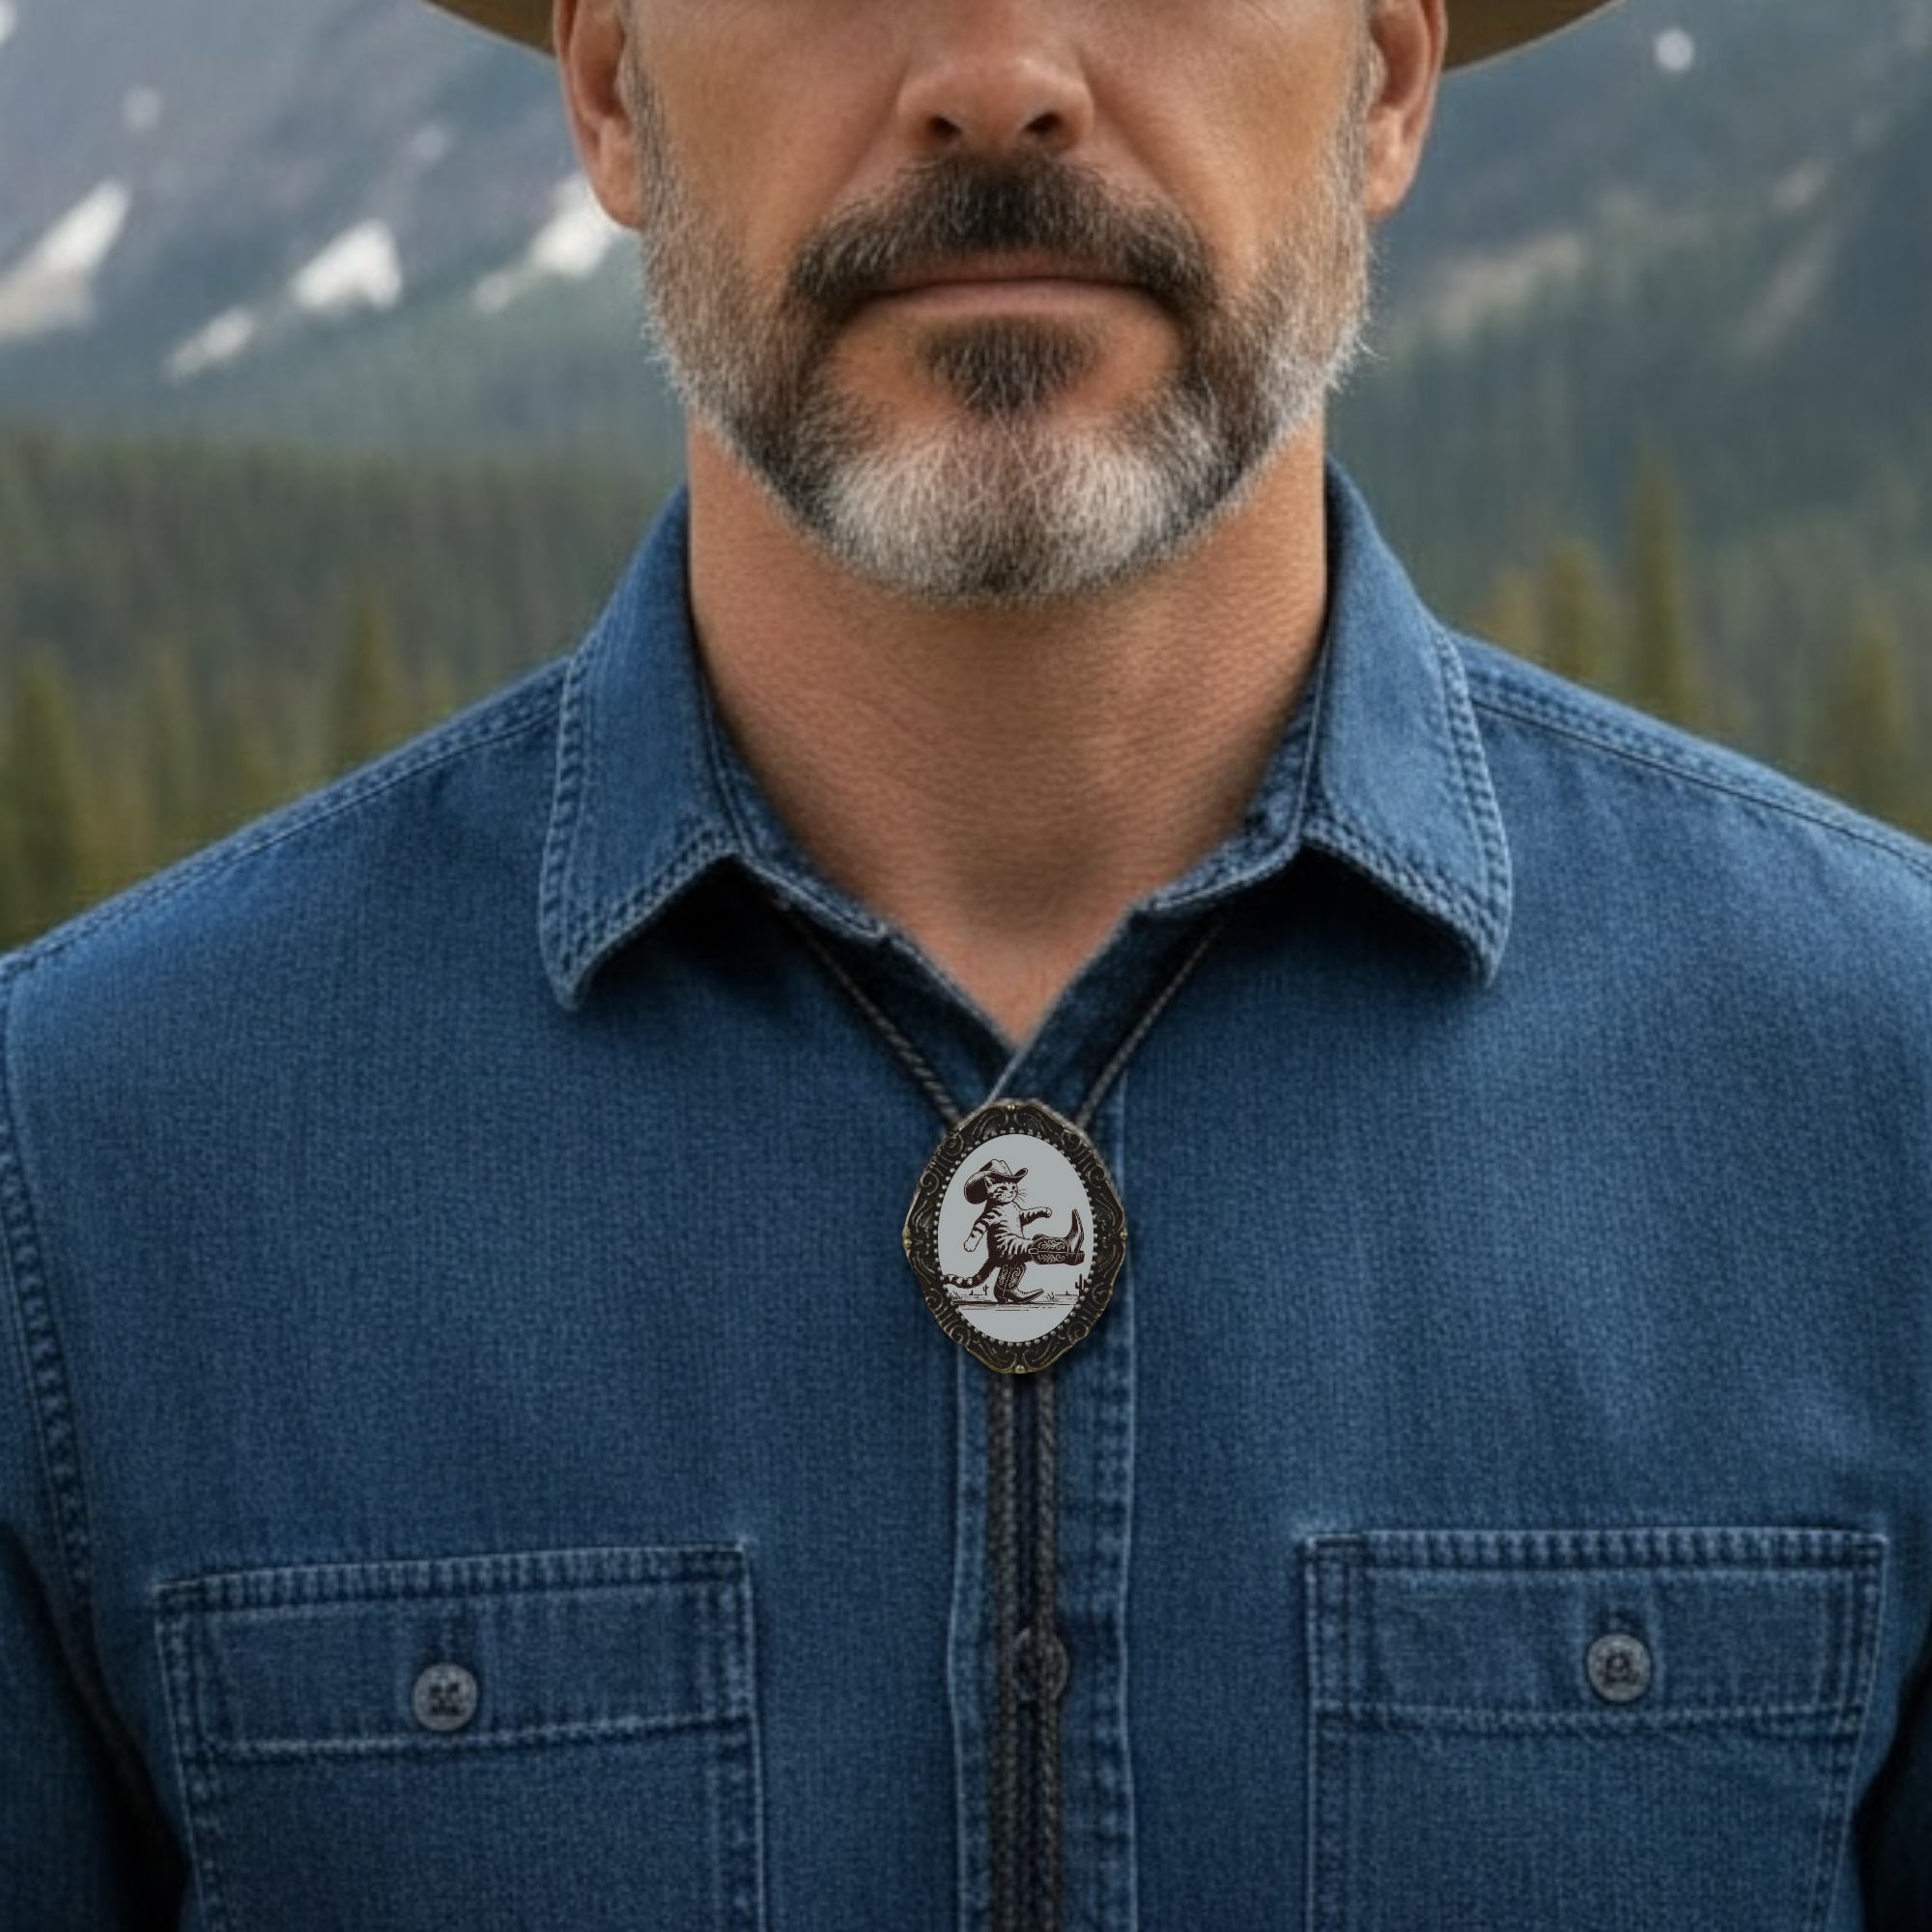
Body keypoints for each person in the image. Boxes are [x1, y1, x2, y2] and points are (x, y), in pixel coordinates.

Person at [3, 0, 1930, 1923]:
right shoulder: (77, 1174)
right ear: (611, 92)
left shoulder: (1890, 1092)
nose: (999, 79)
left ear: (1388, 83)